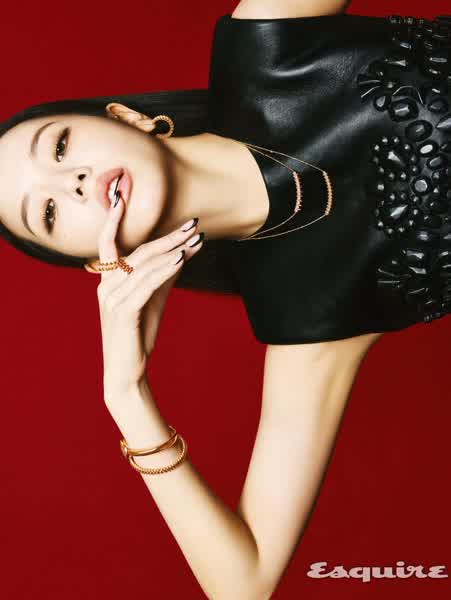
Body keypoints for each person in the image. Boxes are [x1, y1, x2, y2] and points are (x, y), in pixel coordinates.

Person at [1, 0, 450, 597]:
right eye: (50, 213)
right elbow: (244, 584)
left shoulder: (269, 40)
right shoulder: (307, 319)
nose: (73, 182)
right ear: (95, 263)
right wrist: (125, 396)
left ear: (126, 117)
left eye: (59, 148)